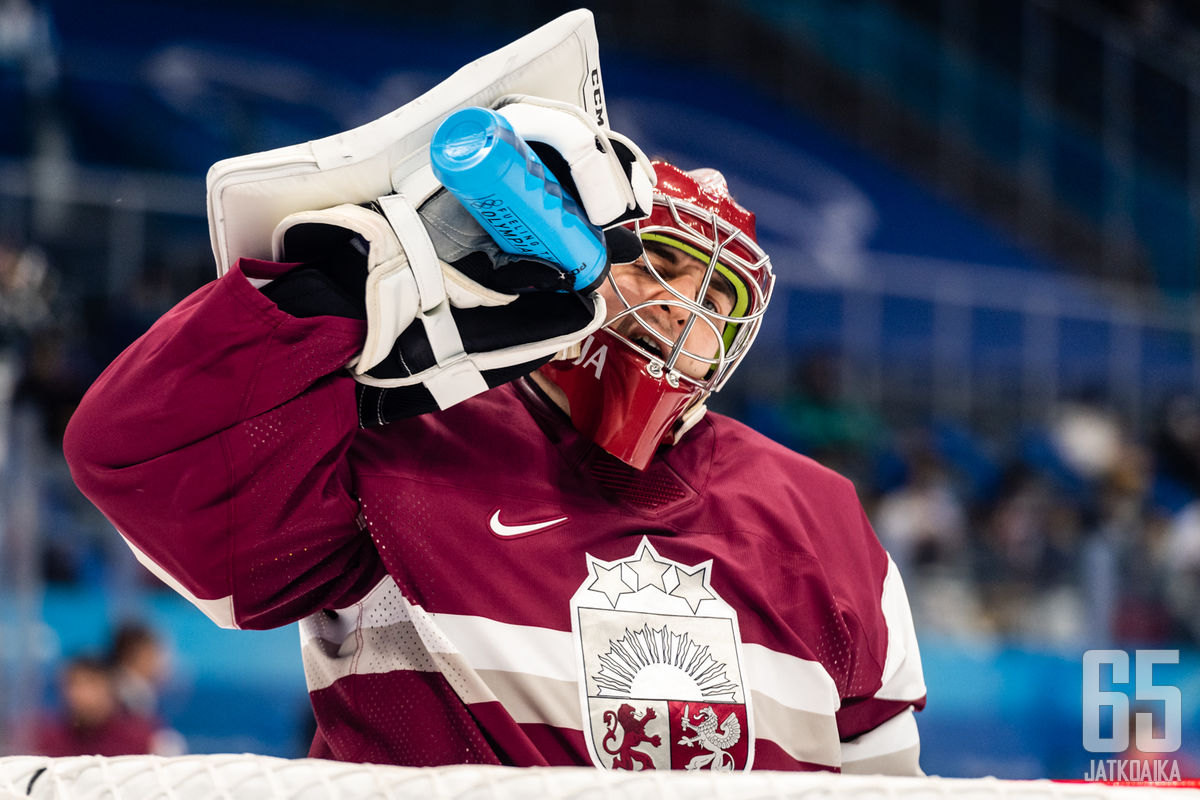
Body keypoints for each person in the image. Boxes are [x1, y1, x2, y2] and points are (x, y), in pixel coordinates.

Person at [63, 107, 925, 772]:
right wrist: (358, 287)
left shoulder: (824, 516)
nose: (679, 307)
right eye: (654, 264)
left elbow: (886, 784)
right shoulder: (400, 437)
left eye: (715, 295)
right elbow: (133, 455)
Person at [32, 656, 159, 757]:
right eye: (75, 685)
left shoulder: (138, 740)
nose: (82, 694)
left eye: (92, 684)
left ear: (111, 689)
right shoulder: (46, 741)